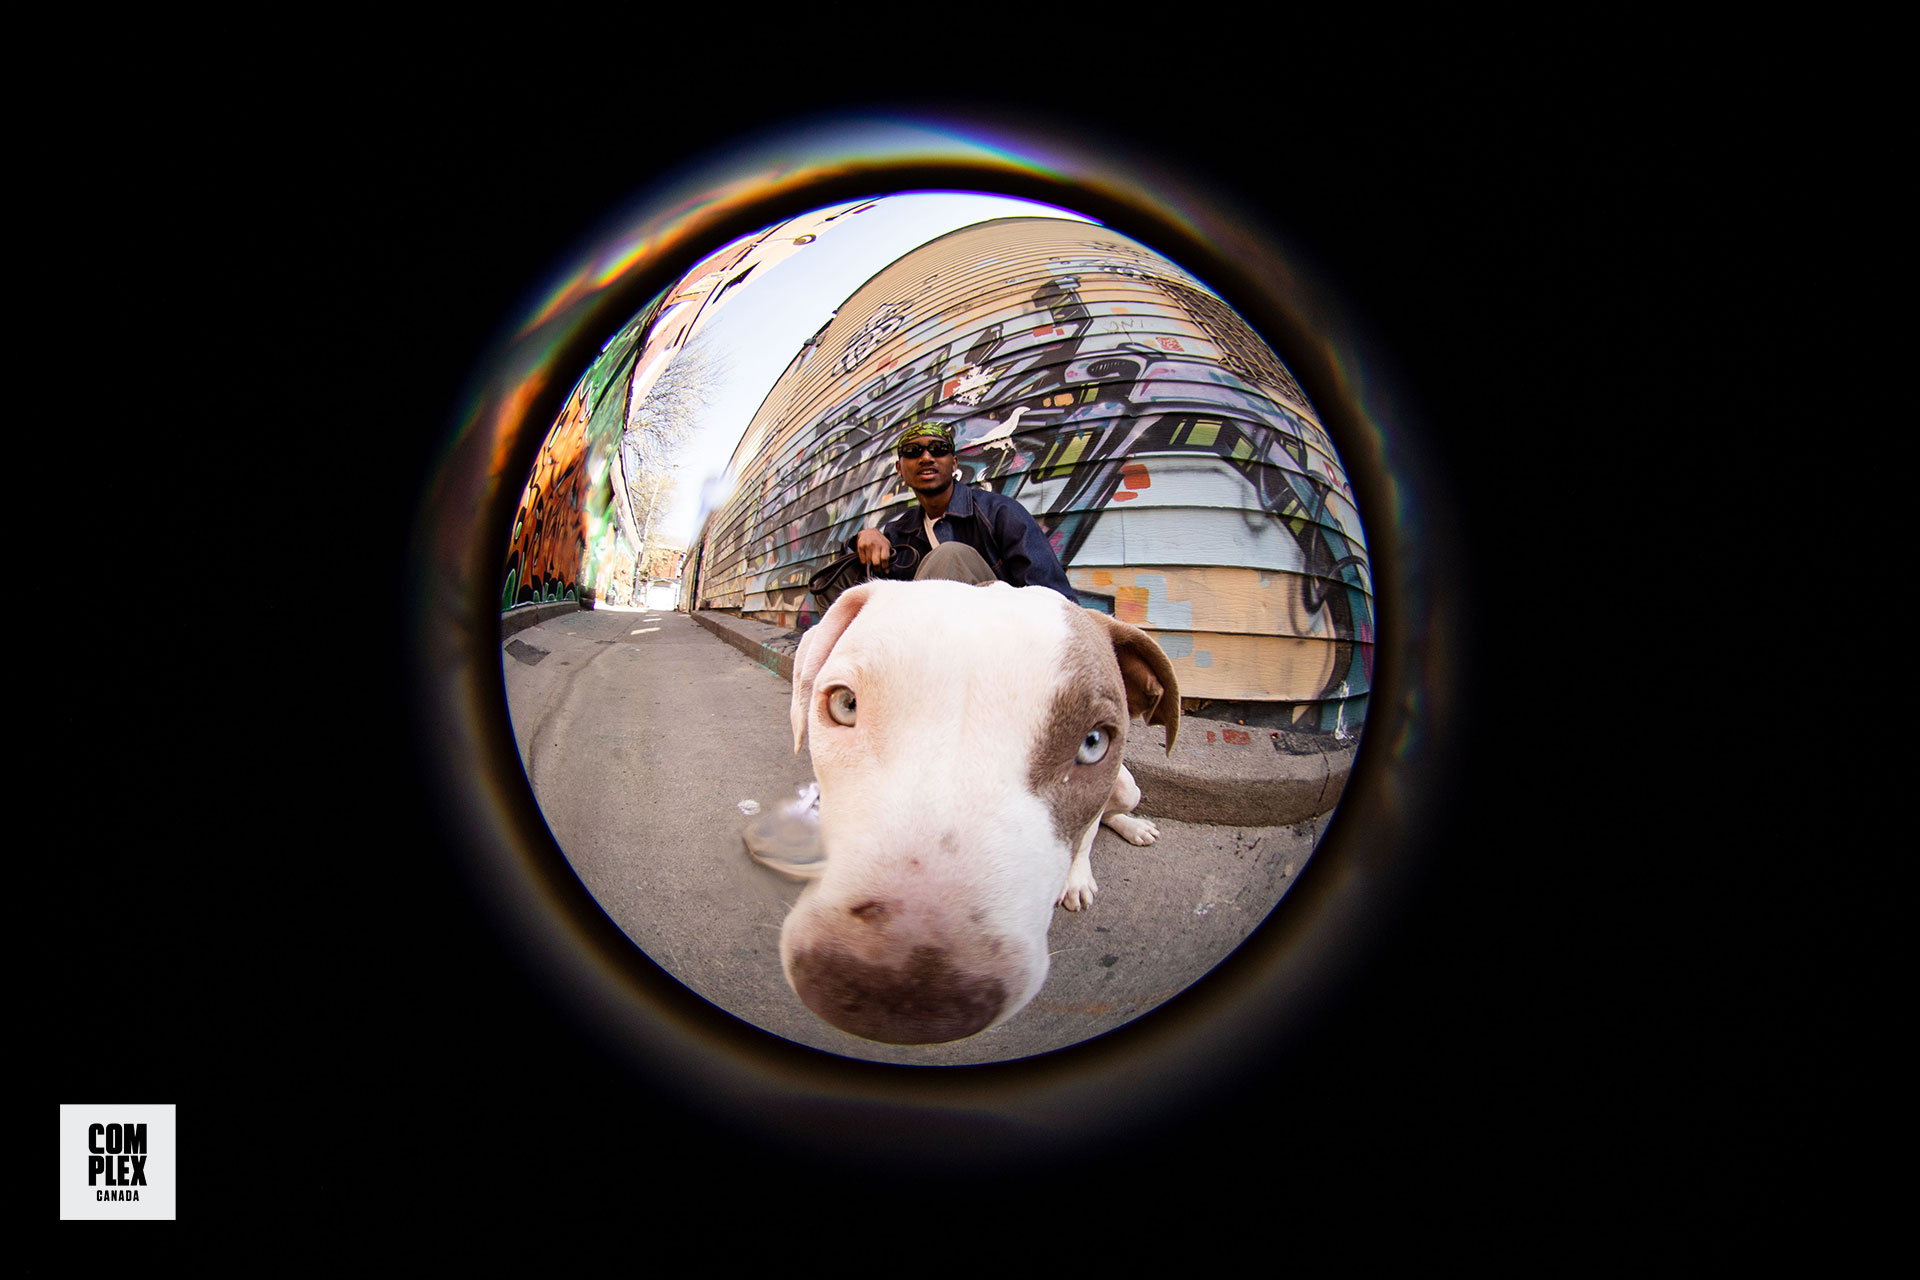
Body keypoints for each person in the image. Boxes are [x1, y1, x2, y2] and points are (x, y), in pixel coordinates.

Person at [851, 421, 1079, 605]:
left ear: (954, 464)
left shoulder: (999, 513)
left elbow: (1055, 600)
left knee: (951, 555)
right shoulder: (900, 531)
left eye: (938, 450)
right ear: (900, 470)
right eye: (913, 452)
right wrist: (863, 537)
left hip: (1002, 638)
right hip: (926, 641)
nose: (926, 457)